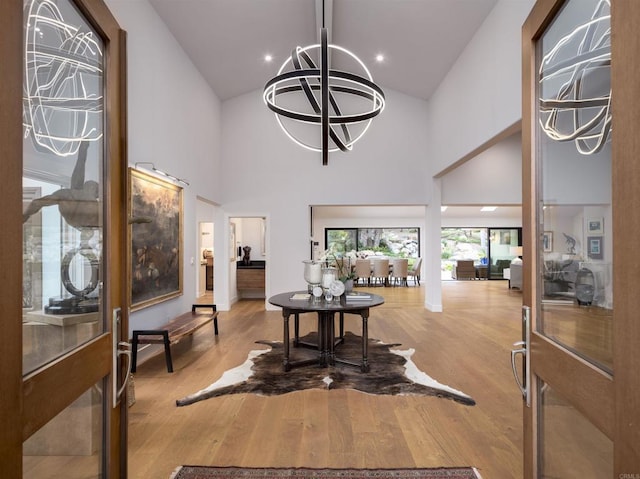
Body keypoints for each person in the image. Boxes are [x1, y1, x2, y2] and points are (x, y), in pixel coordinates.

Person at [23, 141, 100, 229]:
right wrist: (25, 215)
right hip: (79, 217)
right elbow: (38, 203)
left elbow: (37, 203)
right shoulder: (73, 196)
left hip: (79, 217)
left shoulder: (73, 195)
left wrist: (26, 215)